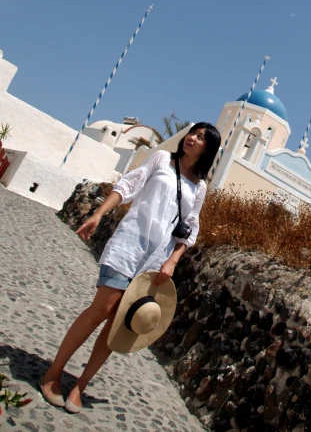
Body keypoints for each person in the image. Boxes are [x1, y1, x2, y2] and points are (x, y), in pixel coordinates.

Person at [39, 122, 221, 414]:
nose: (191, 138)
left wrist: (172, 261)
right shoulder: (163, 159)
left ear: (207, 149)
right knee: (102, 309)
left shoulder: (199, 187)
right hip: (128, 245)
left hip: (154, 261)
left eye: (200, 137)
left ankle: (80, 386)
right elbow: (128, 185)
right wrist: (99, 213)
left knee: (118, 324)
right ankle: (53, 374)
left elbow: (189, 229)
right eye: (192, 132)